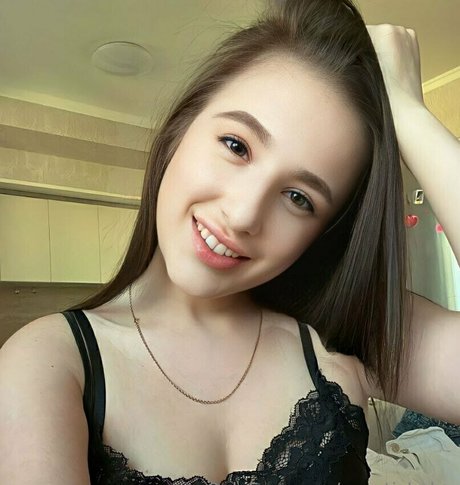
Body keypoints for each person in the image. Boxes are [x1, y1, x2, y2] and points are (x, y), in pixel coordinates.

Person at [1, 0, 459, 483]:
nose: (243, 215)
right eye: (236, 146)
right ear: (181, 127)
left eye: (298, 198)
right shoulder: (51, 363)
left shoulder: (342, 333)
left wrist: (410, 115)